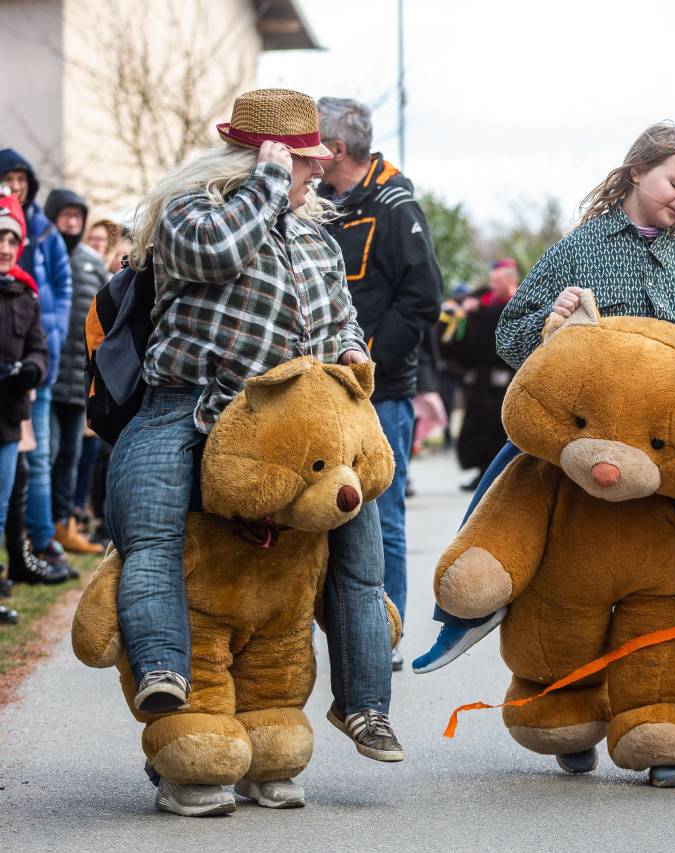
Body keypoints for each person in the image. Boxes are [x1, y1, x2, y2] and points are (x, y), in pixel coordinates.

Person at [414, 122, 675, 677]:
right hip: (591, 420)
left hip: (674, 426)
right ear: (636, 173)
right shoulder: (578, 248)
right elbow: (511, 333)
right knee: (508, 473)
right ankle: (464, 613)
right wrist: (550, 319)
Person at [104, 91, 405, 815]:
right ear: (261, 157)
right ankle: (166, 673)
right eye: (303, 161)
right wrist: (268, 182)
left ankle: (363, 702)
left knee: (359, 549)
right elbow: (215, 254)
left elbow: (341, 317)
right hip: (191, 408)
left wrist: (352, 352)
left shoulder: (315, 238)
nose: (316, 173)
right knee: (150, 532)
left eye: (313, 162)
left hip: (295, 428)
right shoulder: (192, 214)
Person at [317, 96, 443, 672]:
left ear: (337, 148)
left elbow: (423, 300)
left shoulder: (395, 206)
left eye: (313, 142)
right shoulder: (319, 202)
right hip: (322, 390)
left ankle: (384, 634)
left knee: (382, 515)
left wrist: (367, 360)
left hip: (382, 394)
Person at [0, 150, 74, 579]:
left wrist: (48, 343)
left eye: (21, 178)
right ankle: (18, 550)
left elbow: (62, 288)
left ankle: (40, 541)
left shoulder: (43, 230)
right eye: (8, 179)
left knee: (37, 455)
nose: (16, 185)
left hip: (34, 357)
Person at [43, 189, 106, 554]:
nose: (71, 223)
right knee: (45, 456)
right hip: (44, 377)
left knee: (70, 457)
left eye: (77, 216)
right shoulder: (41, 254)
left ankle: (62, 524)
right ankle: (35, 527)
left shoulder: (91, 263)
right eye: (65, 215)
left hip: (76, 381)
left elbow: (103, 322)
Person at [0, 192, 50, 606]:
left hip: (9, 418)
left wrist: (32, 368)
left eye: (11, 240)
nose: (4, 247)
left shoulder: (26, 294)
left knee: (1, 508)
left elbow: (39, 347)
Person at [441, 259, 520, 490]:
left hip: (506, 376)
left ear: (510, 280)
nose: (493, 285)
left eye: (498, 281)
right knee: (478, 427)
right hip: (480, 380)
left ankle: (503, 475)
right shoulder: (481, 303)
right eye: (492, 281)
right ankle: (483, 473)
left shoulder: (520, 304)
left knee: (500, 428)